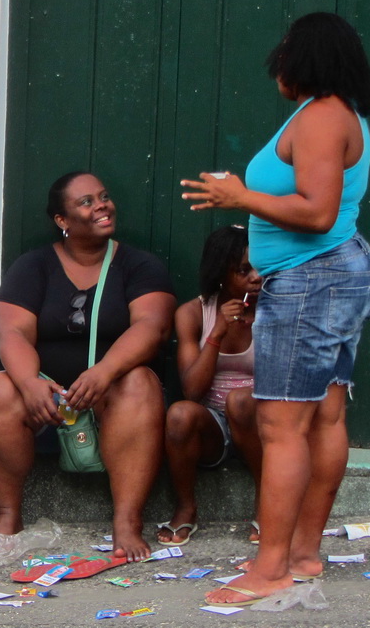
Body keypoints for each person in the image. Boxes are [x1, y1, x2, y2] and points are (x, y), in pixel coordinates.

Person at [181, 12, 370, 605]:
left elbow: (317, 212)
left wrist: (238, 196)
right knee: (325, 415)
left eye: (286, 50)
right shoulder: (336, 113)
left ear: (305, 58)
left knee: (282, 424)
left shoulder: (323, 117)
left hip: (311, 280)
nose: (277, 60)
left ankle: (271, 569)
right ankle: (301, 552)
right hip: (332, 274)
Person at [0, 172, 176, 562]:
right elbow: (11, 332)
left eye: (104, 196)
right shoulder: (33, 266)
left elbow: (153, 326)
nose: (102, 205)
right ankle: (7, 514)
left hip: (110, 392)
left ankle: (127, 521)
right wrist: (30, 383)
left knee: (140, 383)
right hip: (49, 397)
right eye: (86, 202)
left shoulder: (139, 265)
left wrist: (105, 371)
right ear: (62, 220)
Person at [159, 225, 262, 547]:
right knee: (179, 414)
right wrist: (216, 333)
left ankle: (269, 500)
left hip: (263, 421)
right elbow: (192, 391)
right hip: (215, 425)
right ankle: (186, 507)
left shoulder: (275, 309)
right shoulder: (194, 312)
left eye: (261, 267)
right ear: (221, 273)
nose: (256, 277)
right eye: (244, 270)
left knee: (241, 402)